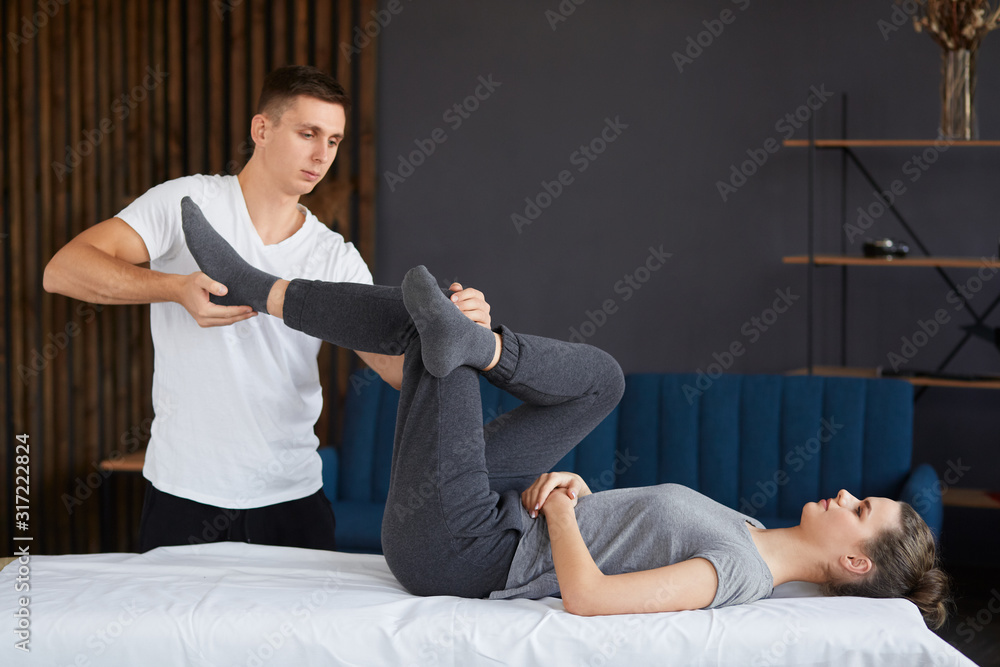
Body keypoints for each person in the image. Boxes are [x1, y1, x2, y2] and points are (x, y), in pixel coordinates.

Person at [181, 197, 951, 628]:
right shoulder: (749, 532)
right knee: (599, 381)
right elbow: (621, 545)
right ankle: (474, 341)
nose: (846, 494)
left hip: (461, 551)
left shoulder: (741, 570)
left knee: (432, 338)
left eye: (861, 510)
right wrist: (570, 498)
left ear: (855, 562)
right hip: (498, 516)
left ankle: (279, 291)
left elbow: (591, 597)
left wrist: (559, 510)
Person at [41, 65, 493, 552]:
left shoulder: (334, 256)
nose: (322, 155)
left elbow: (393, 369)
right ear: (262, 129)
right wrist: (174, 288)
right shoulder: (187, 202)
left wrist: (459, 332)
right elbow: (63, 270)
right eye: (308, 134)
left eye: (334, 141)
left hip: (291, 498)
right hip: (183, 491)